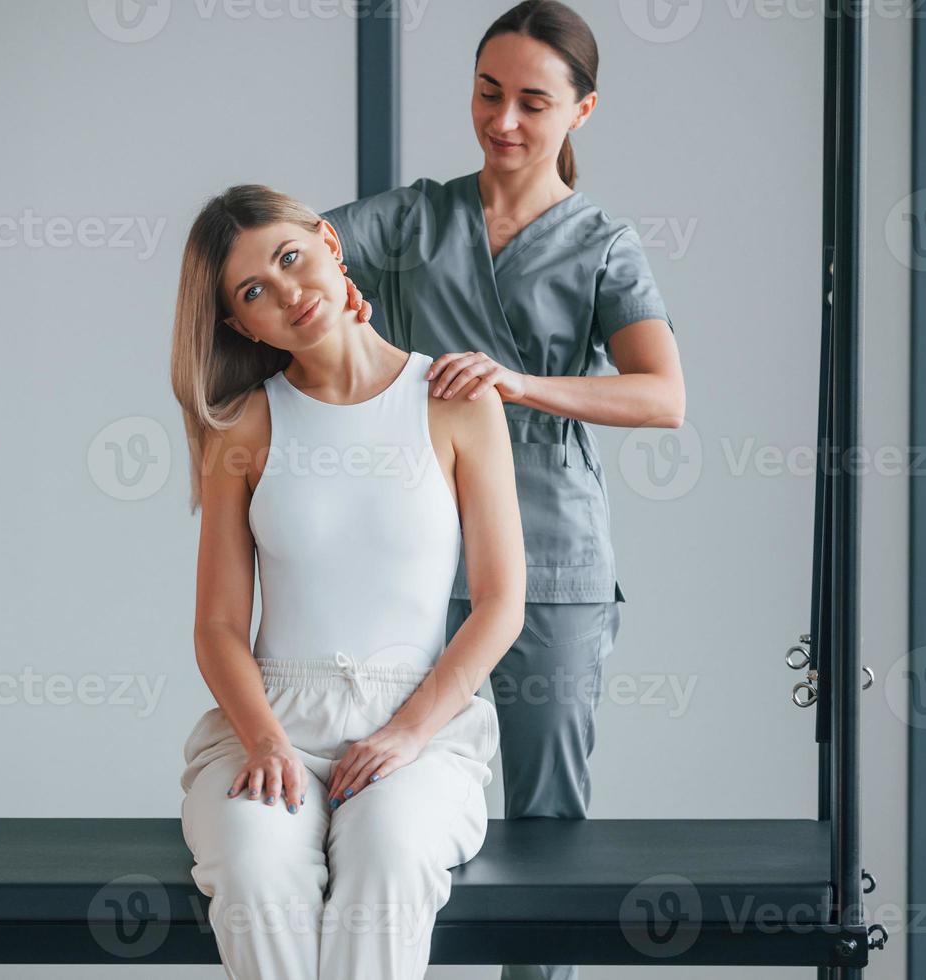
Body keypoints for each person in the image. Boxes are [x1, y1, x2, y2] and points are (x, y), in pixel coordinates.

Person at [322, 5, 683, 977]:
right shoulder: (412, 218)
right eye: (488, 93)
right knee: (378, 798)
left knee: (544, 826)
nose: (505, 120)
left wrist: (519, 382)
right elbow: (296, 254)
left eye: (533, 101)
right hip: (416, 557)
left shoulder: (604, 241)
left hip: (552, 562)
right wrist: (320, 289)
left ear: (584, 110)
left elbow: (663, 395)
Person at [170, 183, 525, 979]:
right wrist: (264, 739)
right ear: (239, 324)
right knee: (255, 871)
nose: (288, 293)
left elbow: (501, 602)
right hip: (269, 721)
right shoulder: (242, 428)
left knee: (391, 861)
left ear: (330, 245)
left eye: (291, 257)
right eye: (254, 291)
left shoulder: (454, 403)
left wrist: (408, 732)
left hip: (420, 724)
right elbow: (218, 628)